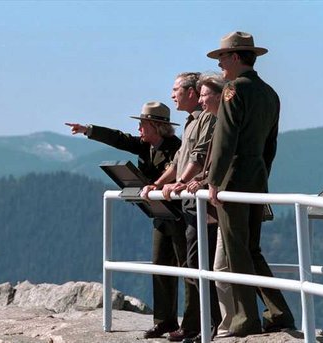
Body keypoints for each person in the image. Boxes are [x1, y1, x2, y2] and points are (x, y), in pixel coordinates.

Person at [65, 101, 190, 340]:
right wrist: (88, 130)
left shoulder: (176, 148)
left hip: (180, 216)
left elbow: (177, 172)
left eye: (143, 124)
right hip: (160, 215)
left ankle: (193, 322)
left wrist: (157, 186)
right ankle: (164, 321)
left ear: (156, 126)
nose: (139, 129)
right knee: (160, 266)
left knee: (187, 268)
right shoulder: (145, 146)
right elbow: (119, 138)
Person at [205, 31, 296, 337]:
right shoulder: (270, 93)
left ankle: (246, 318)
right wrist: (262, 174)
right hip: (256, 176)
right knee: (252, 248)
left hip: (234, 178)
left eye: (221, 58)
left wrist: (214, 181)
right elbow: (271, 144)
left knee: (236, 250)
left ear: (234, 57)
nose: (219, 64)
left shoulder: (234, 90)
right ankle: (279, 311)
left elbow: (225, 139)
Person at [141, 72, 221, 342]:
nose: (172, 94)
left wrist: (180, 183)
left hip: (195, 204)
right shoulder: (190, 123)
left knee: (197, 266)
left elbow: (197, 158)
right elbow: (177, 162)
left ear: (191, 92)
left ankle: (201, 324)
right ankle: (191, 324)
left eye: (176, 89)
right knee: (188, 265)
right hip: (185, 202)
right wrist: (157, 184)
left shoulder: (207, 118)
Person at [185, 74, 235, 339]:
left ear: (218, 95)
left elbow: (218, 159)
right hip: (212, 200)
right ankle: (215, 325)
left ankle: (223, 324)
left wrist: (201, 180)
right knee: (211, 267)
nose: (200, 99)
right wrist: (199, 180)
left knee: (220, 267)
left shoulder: (221, 122)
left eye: (204, 95)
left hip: (220, 202)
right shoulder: (210, 120)